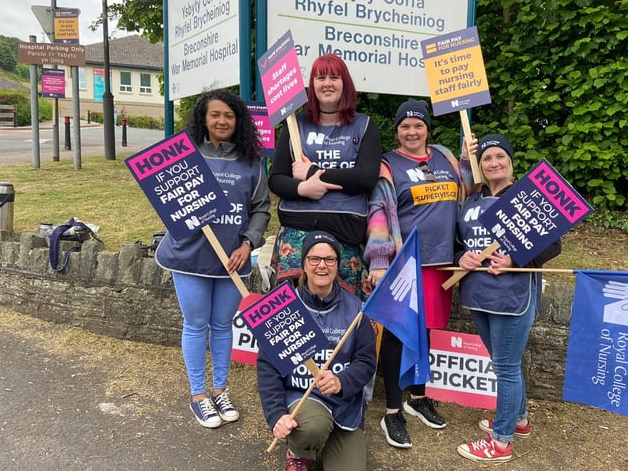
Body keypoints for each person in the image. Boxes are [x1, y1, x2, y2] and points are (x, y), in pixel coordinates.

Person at [155, 89, 271, 428]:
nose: (222, 121)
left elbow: (261, 209)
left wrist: (248, 244)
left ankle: (220, 390)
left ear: (239, 121)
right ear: (203, 119)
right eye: (215, 115)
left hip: (232, 261)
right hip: (189, 256)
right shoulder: (183, 156)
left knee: (222, 326)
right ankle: (199, 396)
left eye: (229, 116)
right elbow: (166, 199)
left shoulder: (252, 161)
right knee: (195, 325)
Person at [364, 98, 474, 448]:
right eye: (405, 126)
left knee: (426, 332)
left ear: (428, 128)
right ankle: (392, 411)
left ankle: (418, 397)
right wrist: (379, 261)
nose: (412, 131)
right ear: (397, 132)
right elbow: (378, 211)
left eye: (418, 125)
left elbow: (470, 190)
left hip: (442, 262)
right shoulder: (388, 165)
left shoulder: (445, 157)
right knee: (399, 334)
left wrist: (471, 160)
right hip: (405, 264)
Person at [455, 134, 561, 463]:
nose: (494, 163)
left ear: (511, 162)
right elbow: (458, 240)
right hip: (478, 293)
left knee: (506, 367)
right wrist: (462, 257)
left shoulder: (526, 198)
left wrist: (516, 261)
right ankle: (519, 419)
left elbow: (553, 245)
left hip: (512, 294)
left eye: (500, 156)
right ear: (480, 166)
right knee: (503, 364)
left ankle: (500, 442)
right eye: (487, 158)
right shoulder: (471, 201)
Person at [257, 231, 377, 471]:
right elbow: (267, 368)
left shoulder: (357, 309)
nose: (322, 265)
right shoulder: (283, 307)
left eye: (329, 259)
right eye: (314, 259)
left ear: (337, 266)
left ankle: (329, 437)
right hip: (303, 400)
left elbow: (366, 362)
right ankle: (299, 451)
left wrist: (341, 381)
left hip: (344, 406)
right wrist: (276, 415)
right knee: (311, 429)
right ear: (303, 264)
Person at [269, 53, 381, 297]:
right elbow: (276, 178)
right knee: (293, 310)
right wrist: (302, 189)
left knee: (344, 310)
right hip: (297, 229)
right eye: (320, 77)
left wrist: (312, 173)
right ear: (312, 85)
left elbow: (365, 177)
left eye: (334, 77)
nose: (327, 83)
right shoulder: (294, 125)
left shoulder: (364, 125)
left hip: (346, 230)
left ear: (345, 84)